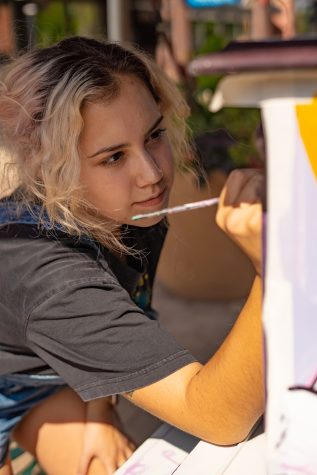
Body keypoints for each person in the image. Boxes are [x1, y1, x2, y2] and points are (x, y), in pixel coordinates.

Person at [0, 36, 264, 475]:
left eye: (154, 135)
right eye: (114, 157)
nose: (153, 174)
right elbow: (218, 418)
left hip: (38, 370)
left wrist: (99, 407)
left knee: (105, 461)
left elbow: (125, 314)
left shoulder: (134, 212)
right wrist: (269, 274)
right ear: (53, 167)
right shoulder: (51, 277)